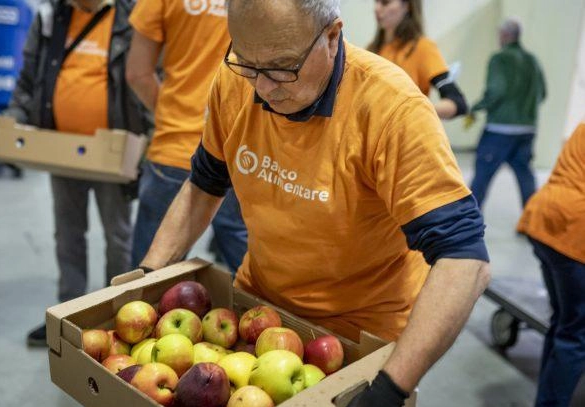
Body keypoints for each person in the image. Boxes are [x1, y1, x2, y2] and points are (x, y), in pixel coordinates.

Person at [139, 0, 491, 405]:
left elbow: (466, 260)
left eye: (282, 67)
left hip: (359, 338)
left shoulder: (391, 109)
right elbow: (204, 185)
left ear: (332, 35)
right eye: (248, 63)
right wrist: (148, 277)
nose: (264, 87)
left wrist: (389, 389)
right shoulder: (236, 80)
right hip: (259, 315)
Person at [5, 0, 150, 347]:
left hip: (112, 152)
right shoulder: (52, 16)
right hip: (62, 150)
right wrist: (13, 120)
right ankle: (67, 316)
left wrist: (150, 141)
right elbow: (30, 77)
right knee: (68, 235)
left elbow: (149, 78)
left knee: (117, 237)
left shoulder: (131, 17)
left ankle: (119, 320)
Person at [125, 0, 248, 273]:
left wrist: (171, 113)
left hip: (174, 143)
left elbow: (137, 73)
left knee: (150, 275)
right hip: (238, 147)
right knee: (247, 265)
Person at [517, 123, 585, 407]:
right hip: (573, 230)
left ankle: (546, 399)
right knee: (576, 332)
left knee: (563, 322)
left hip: (543, 219)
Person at [469, 18, 546, 209]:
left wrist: (476, 107)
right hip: (527, 129)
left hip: (499, 130)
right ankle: (530, 222)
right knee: (525, 175)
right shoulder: (532, 60)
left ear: (504, 35)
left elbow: (497, 90)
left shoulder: (499, 58)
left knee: (482, 175)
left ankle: (468, 223)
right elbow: (542, 93)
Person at [368, 0, 467, 120]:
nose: (377, 8)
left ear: (407, 6)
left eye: (385, 2)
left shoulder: (422, 48)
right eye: (376, 2)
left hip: (405, 133)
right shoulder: (371, 50)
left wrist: (413, 110)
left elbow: (458, 102)